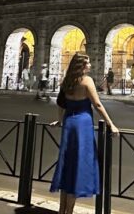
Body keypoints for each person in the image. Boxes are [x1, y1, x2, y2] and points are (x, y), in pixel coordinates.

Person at [49, 54, 119, 214]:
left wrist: (60, 121)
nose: (90, 66)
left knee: (67, 166)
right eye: (87, 64)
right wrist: (111, 124)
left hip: (69, 124)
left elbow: (61, 104)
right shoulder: (87, 81)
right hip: (82, 125)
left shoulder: (66, 81)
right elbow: (98, 105)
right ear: (80, 66)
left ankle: (62, 211)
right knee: (77, 169)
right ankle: (69, 212)